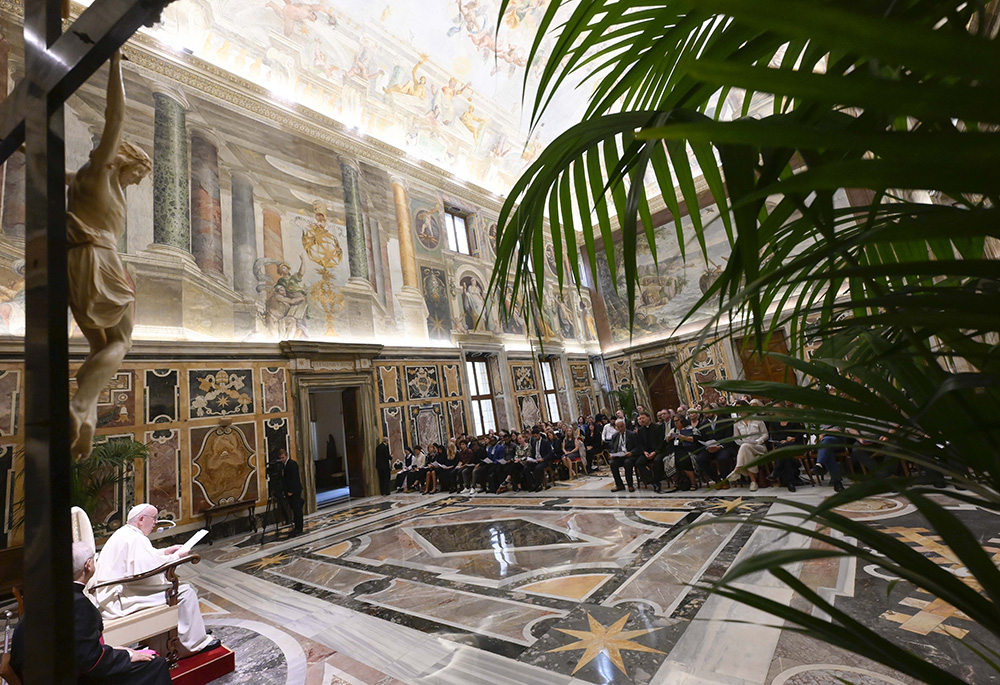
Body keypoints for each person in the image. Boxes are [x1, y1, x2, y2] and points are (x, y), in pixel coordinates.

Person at [66, 50, 153, 460]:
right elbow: (115, 118)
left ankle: (85, 411)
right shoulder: (101, 170)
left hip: (76, 264)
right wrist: (116, 59)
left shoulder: (82, 181)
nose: (138, 180)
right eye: (139, 173)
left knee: (102, 348)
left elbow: (60, 176)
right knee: (123, 340)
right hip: (102, 261)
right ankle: (81, 404)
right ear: (127, 161)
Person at [11, 542, 171, 684]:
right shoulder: (78, 604)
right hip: (67, 676)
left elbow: (73, 644)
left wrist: (115, 652)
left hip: (41, 669)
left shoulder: (47, 592)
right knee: (155, 664)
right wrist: (128, 656)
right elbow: (91, 661)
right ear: (88, 565)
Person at [93, 504, 219, 657]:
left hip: (117, 591)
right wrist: (177, 557)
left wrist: (165, 552)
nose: (156, 522)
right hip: (121, 599)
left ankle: (192, 632)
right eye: (154, 518)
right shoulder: (135, 538)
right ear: (141, 519)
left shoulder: (126, 533)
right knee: (185, 592)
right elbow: (146, 572)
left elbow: (143, 560)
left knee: (183, 589)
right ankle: (193, 643)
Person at [609, 419, 639, 492]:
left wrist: (631, 452)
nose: (620, 429)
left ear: (624, 425)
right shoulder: (615, 436)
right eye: (618, 427)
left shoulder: (632, 434)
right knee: (612, 463)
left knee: (627, 463)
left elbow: (638, 447)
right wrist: (612, 454)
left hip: (630, 456)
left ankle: (630, 485)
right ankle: (619, 484)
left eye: (621, 426)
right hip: (619, 456)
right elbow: (612, 448)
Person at [279, 449, 304, 534]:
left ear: (287, 455)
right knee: (294, 509)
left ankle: (299, 528)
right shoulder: (284, 465)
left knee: (297, 510)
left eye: (283, 457)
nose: (282, 460)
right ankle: (296, 526)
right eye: (281, 458)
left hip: (295, 491)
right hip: (290, 491)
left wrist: (291, 491)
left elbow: (294, 479)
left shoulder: (292, 464)